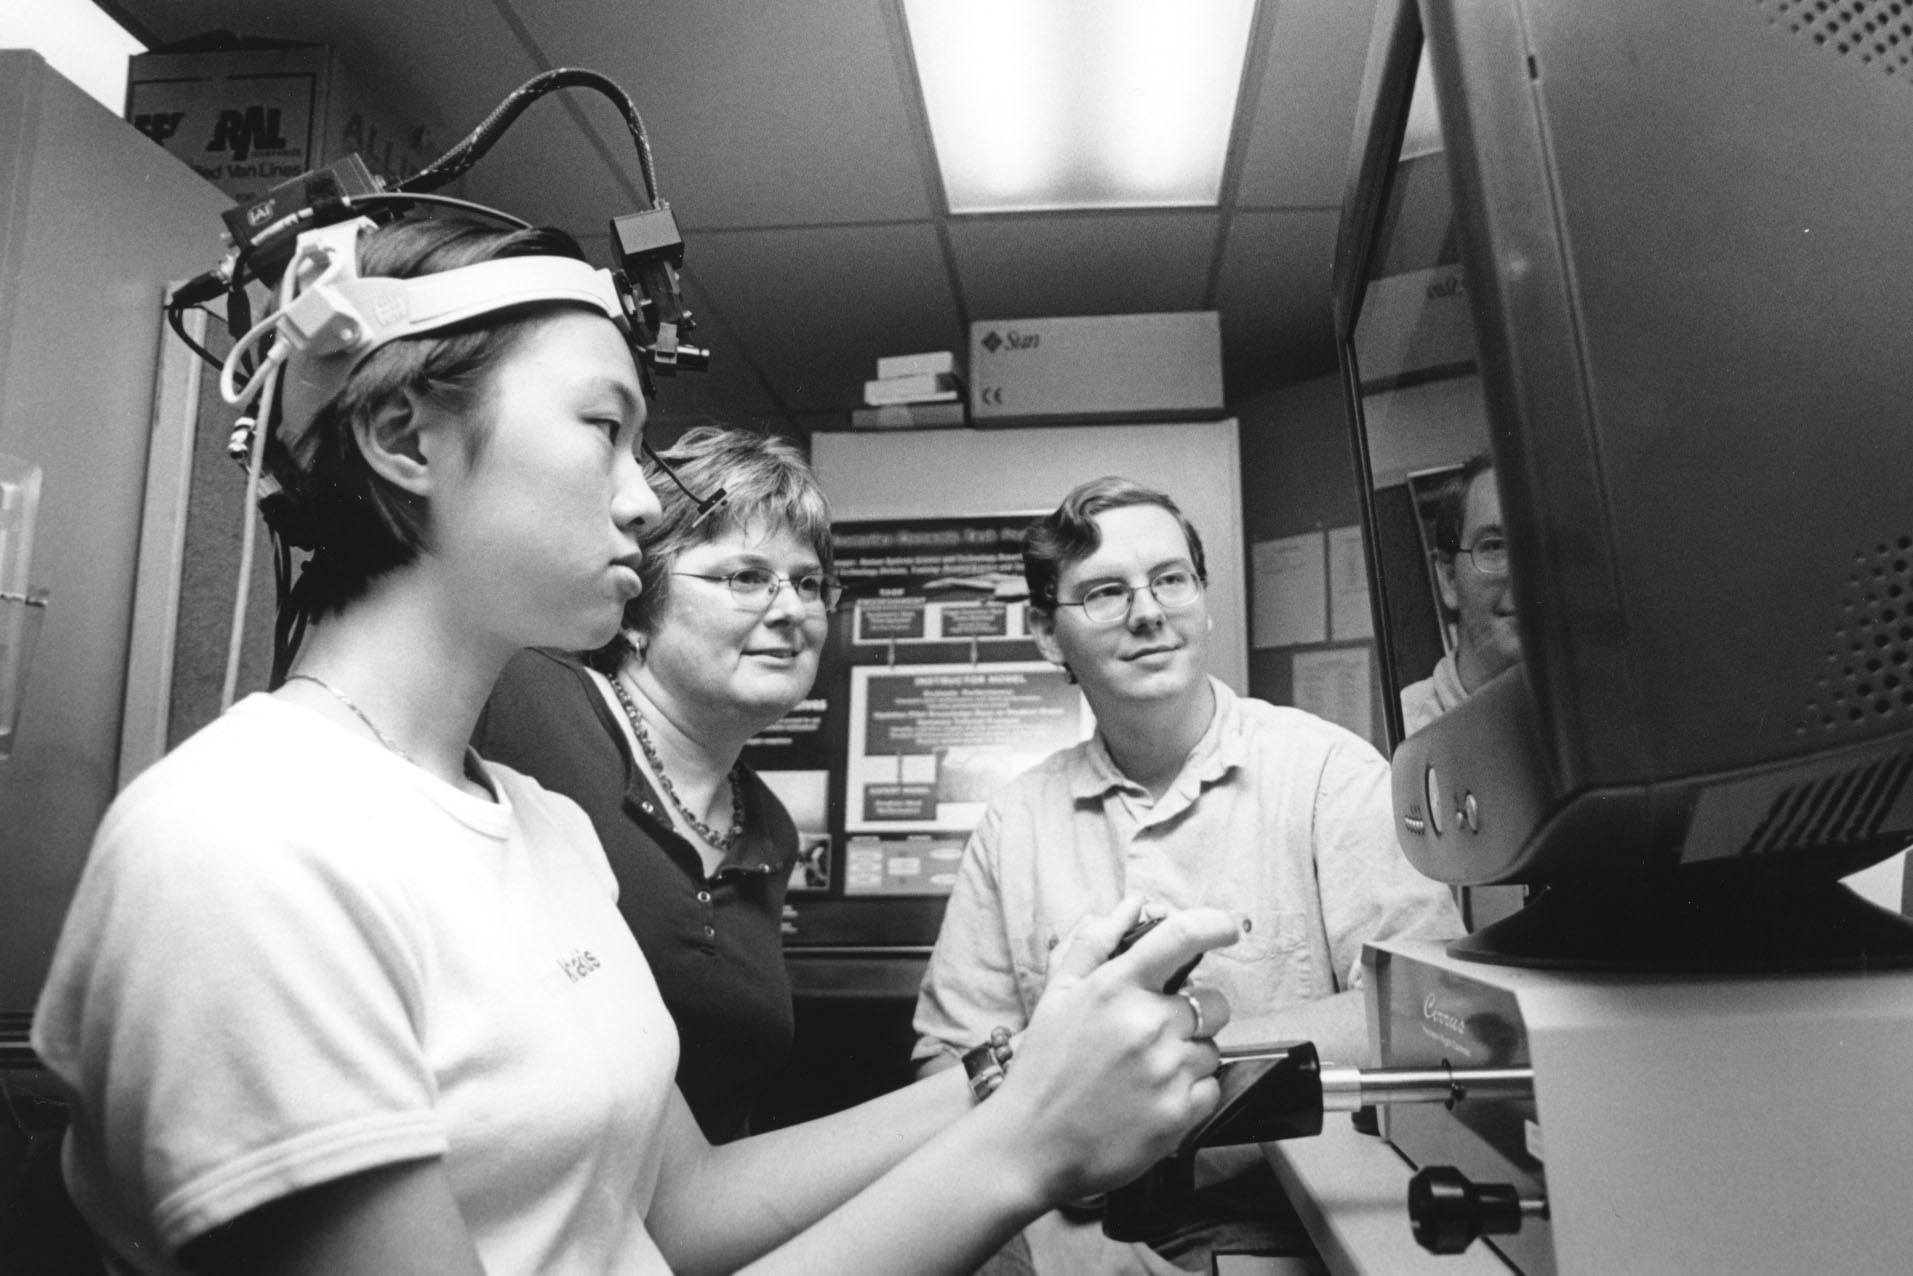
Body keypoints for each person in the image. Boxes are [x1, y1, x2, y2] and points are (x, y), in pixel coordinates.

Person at [30, 215, 1246, 1276]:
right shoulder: (244, 845)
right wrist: (1025, 1146)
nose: (639, 497)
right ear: (405, 435)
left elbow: (676, 1208)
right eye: (603, 431)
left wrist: (1013, 1066)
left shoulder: (543, 828)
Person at [913, 476, 1464, 1274]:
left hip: (1284, 1220)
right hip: (1058, 1228)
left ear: (1202, 600)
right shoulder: (1015, 822)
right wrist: (1059, 1239)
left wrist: (1143, 1071)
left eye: (1169, 579)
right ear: (1044, 632)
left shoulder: (1325, 774)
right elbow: (948, 1060)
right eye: (1103, 591)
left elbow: (1419, 1011)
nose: (1147, 611)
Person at [473, 425, 827, 1143]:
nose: (791, 610)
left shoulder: (768, 829)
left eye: (810, 583)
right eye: (747, 577)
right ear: (639, 606)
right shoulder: (527, 700)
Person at [1399, 453, 1520, 735]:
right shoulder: (1399, 733)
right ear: (1449, 579)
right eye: (1494, 546)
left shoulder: (1612, 718)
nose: (1527, 575)